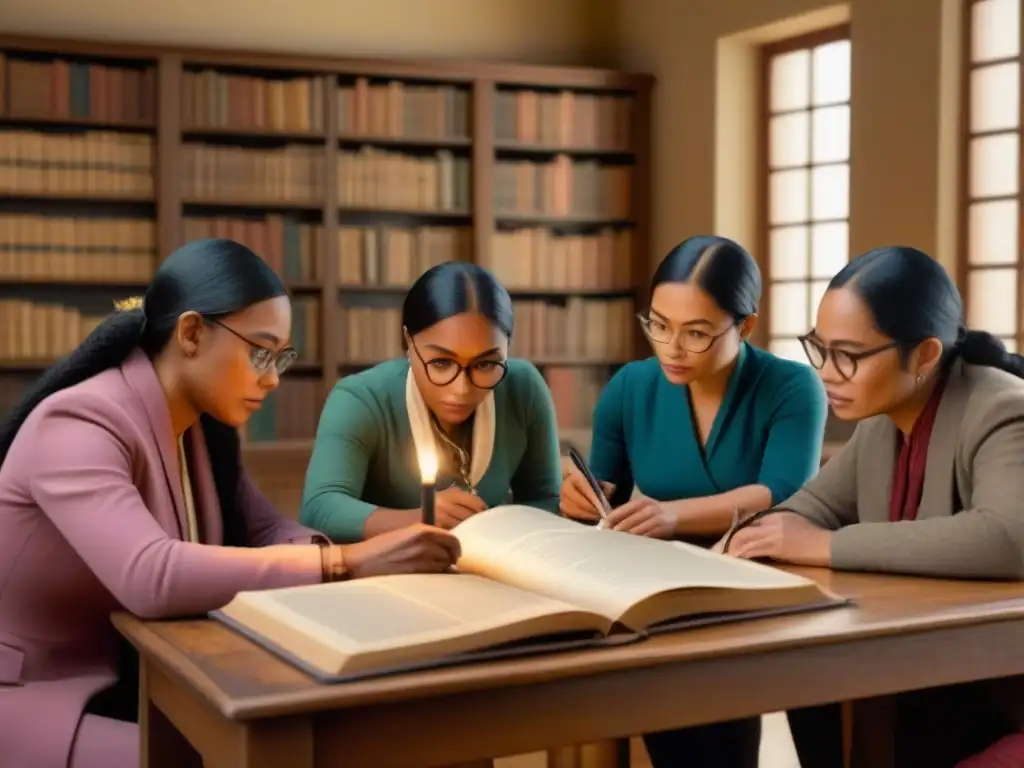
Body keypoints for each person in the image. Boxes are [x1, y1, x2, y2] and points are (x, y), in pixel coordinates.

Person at [0, 239, 460, 768]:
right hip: (39, 697)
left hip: (139, 673)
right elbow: (150, 574)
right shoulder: (81, 422)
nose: (272, 378)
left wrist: (359, 562)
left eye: (281, 358)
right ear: (191, 333)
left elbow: (263, 528)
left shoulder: (197, 428)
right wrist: (345, 562)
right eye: (260, 352)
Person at [721, 245, 1024, 766]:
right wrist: (755, 536)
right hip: (928, 663)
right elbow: (804, 510)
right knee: (809, 671)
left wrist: (826, 545)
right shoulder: (881, 423)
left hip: (996, 682)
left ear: (926, 355)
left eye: (850, 355)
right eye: (820, 348)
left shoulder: (1002, 409)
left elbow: (1006, 538)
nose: (827, 372)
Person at [559, 235, 838, 768]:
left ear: (746, 326)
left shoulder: (792, 385)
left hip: (759, 582)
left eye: (697, 333)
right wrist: (582, 496)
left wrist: (672, 514)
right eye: (658, 325)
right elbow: (605, 488)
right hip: (661, 592)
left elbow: (782, 492)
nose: (671, 348)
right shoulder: (630, 387)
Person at [300, 261, 561, 543]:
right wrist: (420, 518)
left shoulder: (523, 388)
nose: (461, 388)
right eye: (440, 362)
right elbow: (320, 509)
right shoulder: (361, 399)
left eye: (485, 364)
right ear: (408, 342)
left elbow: (546, 499)